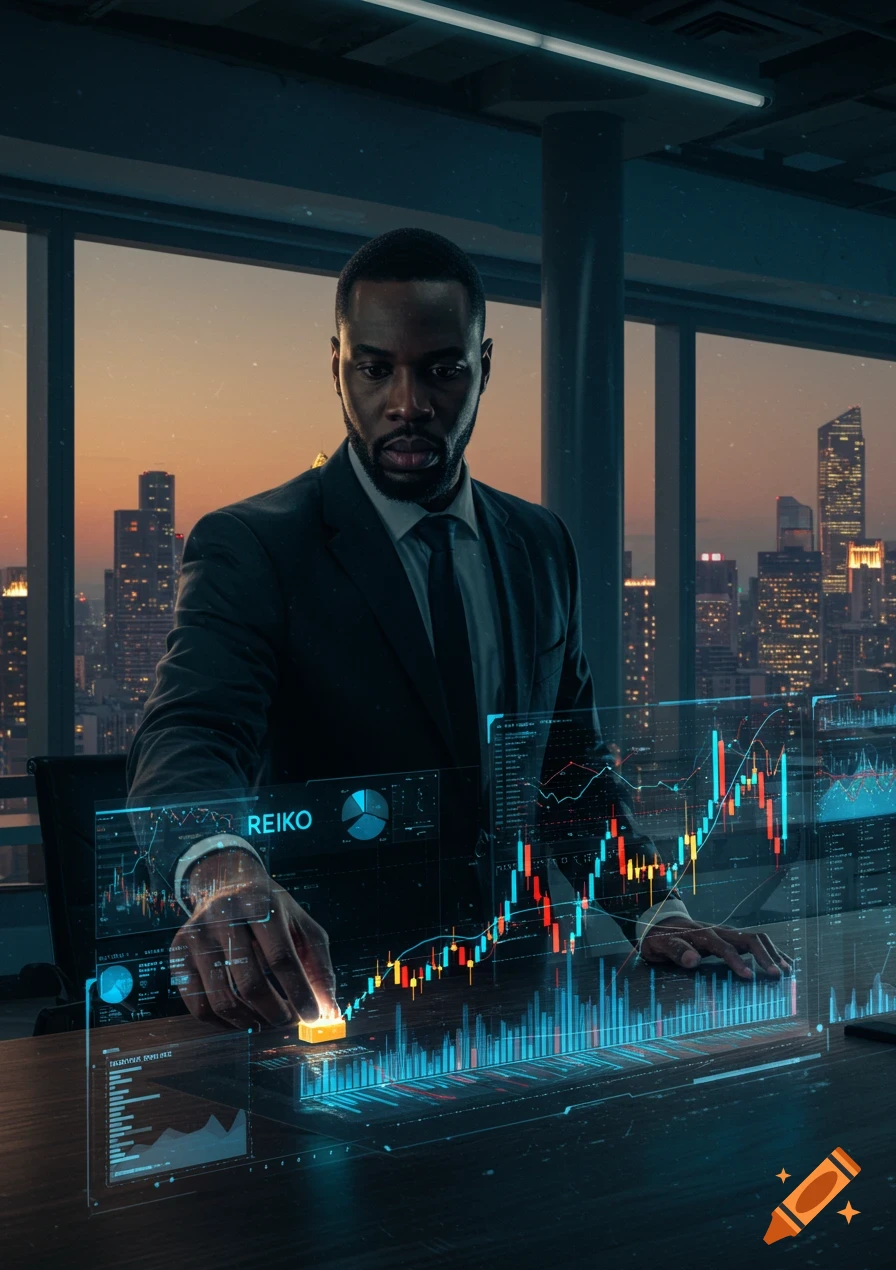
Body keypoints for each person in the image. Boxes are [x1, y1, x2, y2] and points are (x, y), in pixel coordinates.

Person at [126, 227, 791, 1031]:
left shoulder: (540, 546)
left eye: (441, 369)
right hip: (329, 1005)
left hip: (521, 996)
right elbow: (190, 731)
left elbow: (566, 770)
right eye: (376, 368)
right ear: (337, 367)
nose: (409, 403)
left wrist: (658, 914)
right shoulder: (256, 546)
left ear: (483, 367)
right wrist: (226, 877)